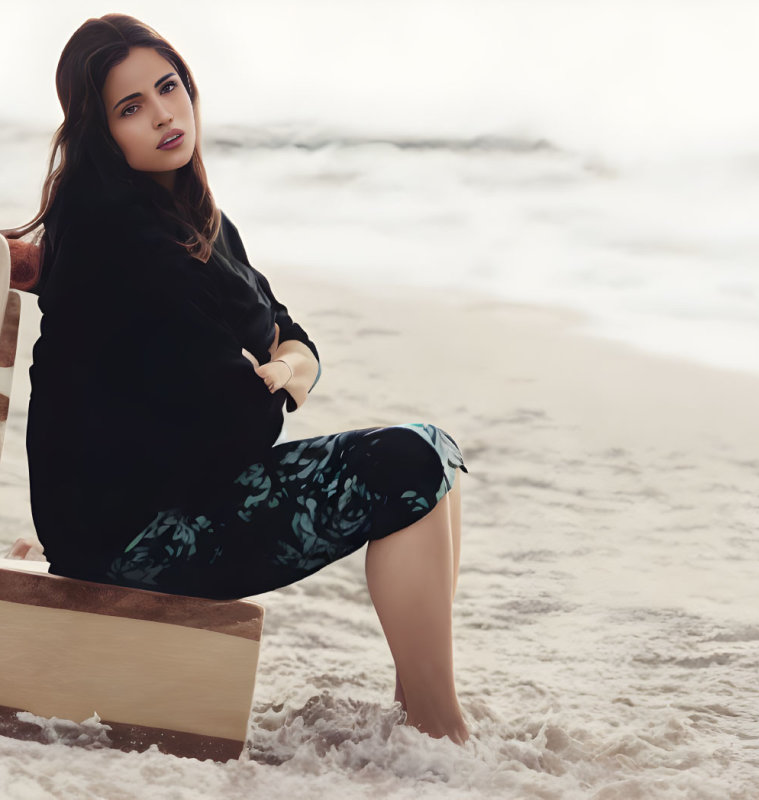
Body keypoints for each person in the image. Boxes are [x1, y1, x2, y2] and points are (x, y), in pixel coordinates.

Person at [1, 13, 470, 745]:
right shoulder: (117, 238)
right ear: (102, 132)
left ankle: (425, 709)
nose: (164, 114)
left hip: (179, 499)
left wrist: (279, 369)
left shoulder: (194, 219)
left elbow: (293, 338)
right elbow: (237, 421)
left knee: (428, 456)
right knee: (409, 462)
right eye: (132, 108)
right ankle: (438, 726)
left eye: (169, 87)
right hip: (131, 539)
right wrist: (277, 375)